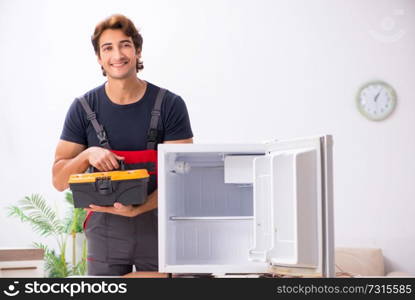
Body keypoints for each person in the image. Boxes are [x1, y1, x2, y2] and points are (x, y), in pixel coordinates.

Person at [52, 14, 193, 276]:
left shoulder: (170, 105)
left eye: (125, 44)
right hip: (104, 233)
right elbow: (59, 180)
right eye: (108, 47)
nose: (117, 54)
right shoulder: (83, 109)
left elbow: (183, 178)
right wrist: (88, 154)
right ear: (99, 58)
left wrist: (139, 209)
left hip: (159, 225)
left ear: (138, 50)